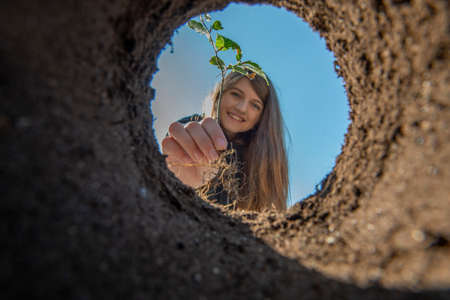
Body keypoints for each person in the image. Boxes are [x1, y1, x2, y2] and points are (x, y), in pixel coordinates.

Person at [162, 72, 288, 211]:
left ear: (262, 116)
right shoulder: (193, 127)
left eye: (255, 105)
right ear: (220, 94)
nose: (241, 108)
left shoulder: (261, 163)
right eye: (236, 94)